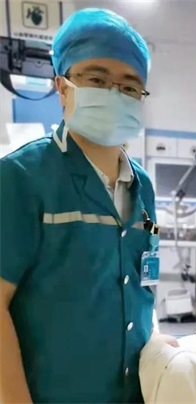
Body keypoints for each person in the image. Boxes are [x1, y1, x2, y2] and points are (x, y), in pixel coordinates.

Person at [0, 8, 177, 403]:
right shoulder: (21, 178)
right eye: (97, 79)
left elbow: (136, 286)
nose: (114, 94)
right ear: (62, 87)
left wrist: (153, 343)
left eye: (129, 86)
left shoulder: (142, 187)